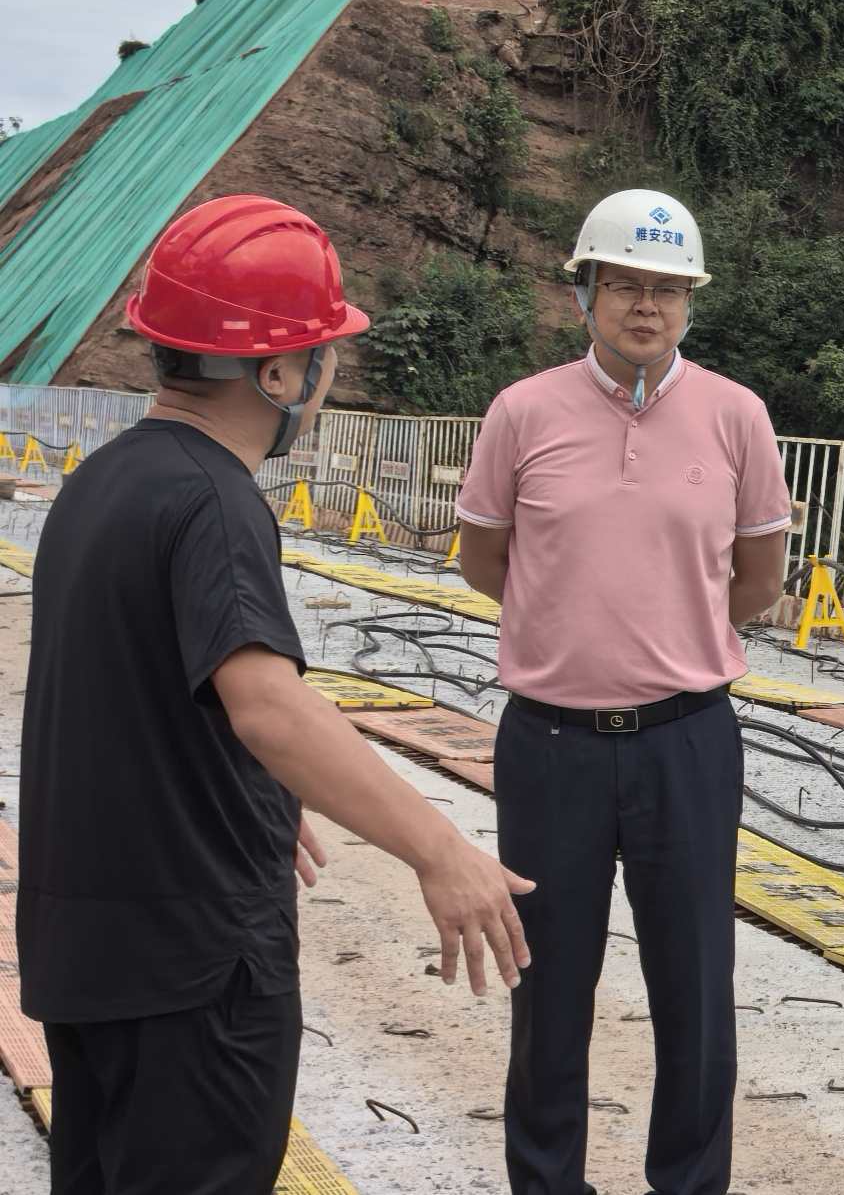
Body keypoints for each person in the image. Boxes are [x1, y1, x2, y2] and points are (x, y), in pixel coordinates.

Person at [21, 194, 531, 1195]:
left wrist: (241, 786)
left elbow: (128, 693)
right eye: (322, 355)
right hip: (193, 971)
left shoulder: (100, 483)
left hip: (87, 951)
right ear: (277, 372)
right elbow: (266, 704)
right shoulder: (214, 502)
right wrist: (441, 850)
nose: (327, 377)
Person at [453, 189, 792, 1195]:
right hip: (548, 743)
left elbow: (758, 580)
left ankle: (686, 1183)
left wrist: (668, 634)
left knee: (694, 983)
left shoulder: (736, 416)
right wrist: (571, 625)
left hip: (686, 740)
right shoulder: (523, 412)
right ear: (584, 292)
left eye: (668, 289)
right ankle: (547, 1182)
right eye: (626, 285)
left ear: (690, 301)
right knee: (548, 980)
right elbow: (484, 560)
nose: (647, 306)